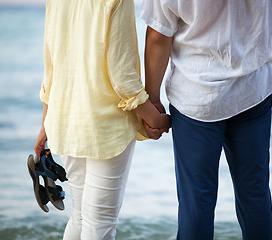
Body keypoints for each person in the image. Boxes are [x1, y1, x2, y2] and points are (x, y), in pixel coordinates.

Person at [140, 0, 272, 239]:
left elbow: (158, 36)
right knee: (255, 194)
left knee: (196, 201)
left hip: (196, 98)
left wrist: (152, 100)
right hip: (253, 92)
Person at [33, 0, 171, 239]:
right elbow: (123, 76)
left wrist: (45, 123)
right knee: (100, 223)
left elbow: (50, 67)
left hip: (65, 121)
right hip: (105, 128)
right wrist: (155, 118)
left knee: (80, 216)